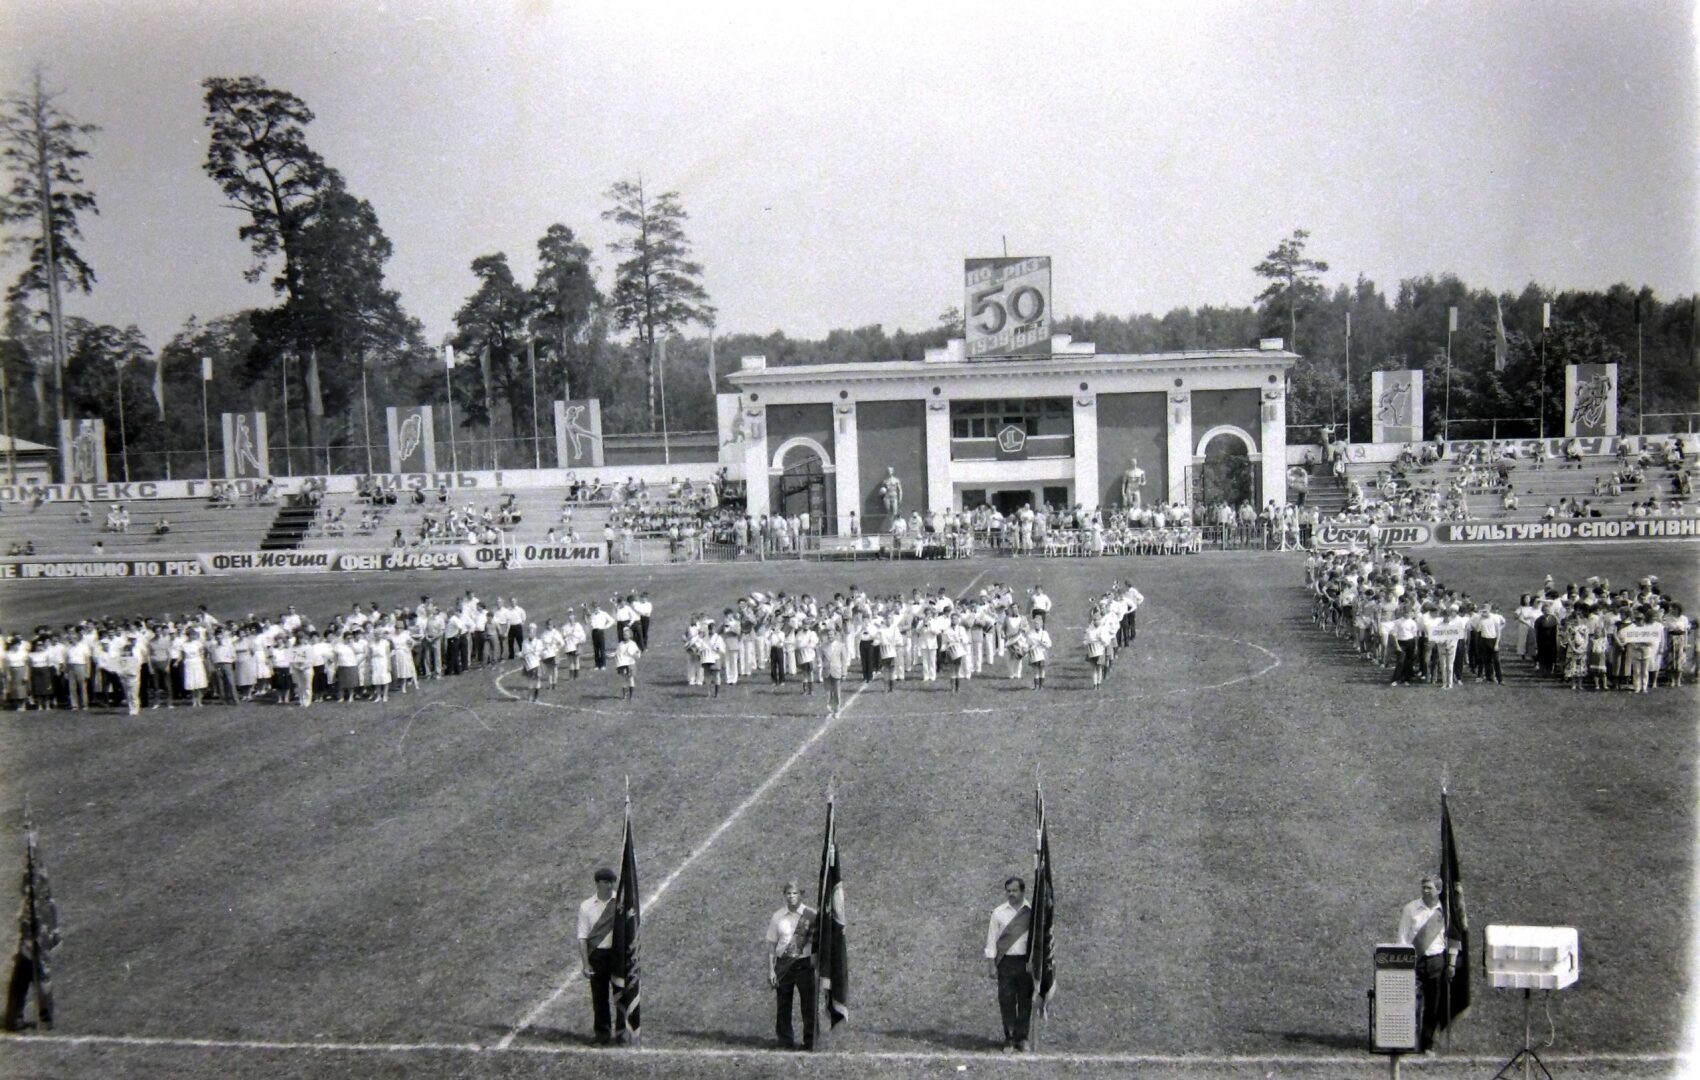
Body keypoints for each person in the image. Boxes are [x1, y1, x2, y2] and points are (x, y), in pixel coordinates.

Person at [1397, 874, 1458, 1053]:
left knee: (1432, 1007)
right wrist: (1404, 963)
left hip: (1436, 962)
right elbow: (1402, 937)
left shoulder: (1445, 912)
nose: (1425, 891)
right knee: (1408, 1003)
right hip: (1414, 961)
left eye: (1429, 888)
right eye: (1423, 887)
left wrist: (1451, 965)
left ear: (1438, 890)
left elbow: (1453, 940)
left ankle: (1426, 1045)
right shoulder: (1410, 909)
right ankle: (1405, 1042)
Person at [765, 879, 817, 1051]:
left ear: (800, 895)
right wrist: (771, 969)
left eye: (795, 893)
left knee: (808, 1005)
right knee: (783, 1004)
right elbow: (772, 944)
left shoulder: (811, 915)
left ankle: (810, 1041)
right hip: (784, 964)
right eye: (788, 893)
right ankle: (785, 1041)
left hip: (804, 964)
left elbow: (818, 942)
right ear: (784, 895)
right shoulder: (778, 916)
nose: (791, 897)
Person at [985, 875, 1034, 1053]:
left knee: (1025, 1001)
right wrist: (991, 964)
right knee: (1006, 1001)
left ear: (1022, 891)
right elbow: (992, 939)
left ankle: (1022, 1038)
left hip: (1026, 963)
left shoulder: (1032, 912)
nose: (1011, 894)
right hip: (1006, 963)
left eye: (1014, 891)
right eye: (1008, 891)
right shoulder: (998, 912)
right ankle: (1009, 1039)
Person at [577, 867, 619, 1045]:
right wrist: (586, 964)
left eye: (611, 882)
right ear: (597, 883)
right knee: (599, 997)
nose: (608, 886)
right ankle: (602, 1036)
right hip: (598, 955)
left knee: (621, 994)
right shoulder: (586, 906)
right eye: (605, 882)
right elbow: (582, 937)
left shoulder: (620, 902)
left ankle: (623, 1034)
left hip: (617, 954)